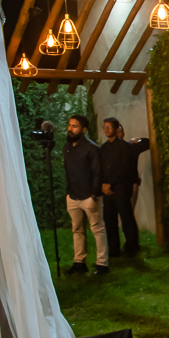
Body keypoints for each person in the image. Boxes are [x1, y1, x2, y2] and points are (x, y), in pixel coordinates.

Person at [63, 115, 108, 275]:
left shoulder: (91, 148)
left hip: (89, 196)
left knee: (97, 228)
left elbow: (98, 172)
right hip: (73, 196)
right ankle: (79, 262)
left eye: (74, 126)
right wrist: (68, 193)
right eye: (70, 125)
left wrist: (94, 195)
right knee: (77, 230)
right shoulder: (67, 148)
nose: (70, 129)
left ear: (84, 130)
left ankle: (102, 264)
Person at [99, 118, 144, 257]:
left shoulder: (125, 147)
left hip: (121, 188)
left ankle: (132, 247)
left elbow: (124, 168)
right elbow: (101, 168)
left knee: (126, 217)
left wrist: (111, 183)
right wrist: (103, 185)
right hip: (107, 190)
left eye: (110, 127)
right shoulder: (103, 148)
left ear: (116, 128)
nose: (107, 129)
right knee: (109, 219)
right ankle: (113, 249)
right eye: (105, 127)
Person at [116, 124, 149, 209]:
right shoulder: (107, 149)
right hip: (116, 187)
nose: (117, 134)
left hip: (131, 184)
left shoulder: (131, 146)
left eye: (119, 131)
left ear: (123, 134)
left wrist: (139, 139)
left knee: (129, 210)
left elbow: (148, 143)